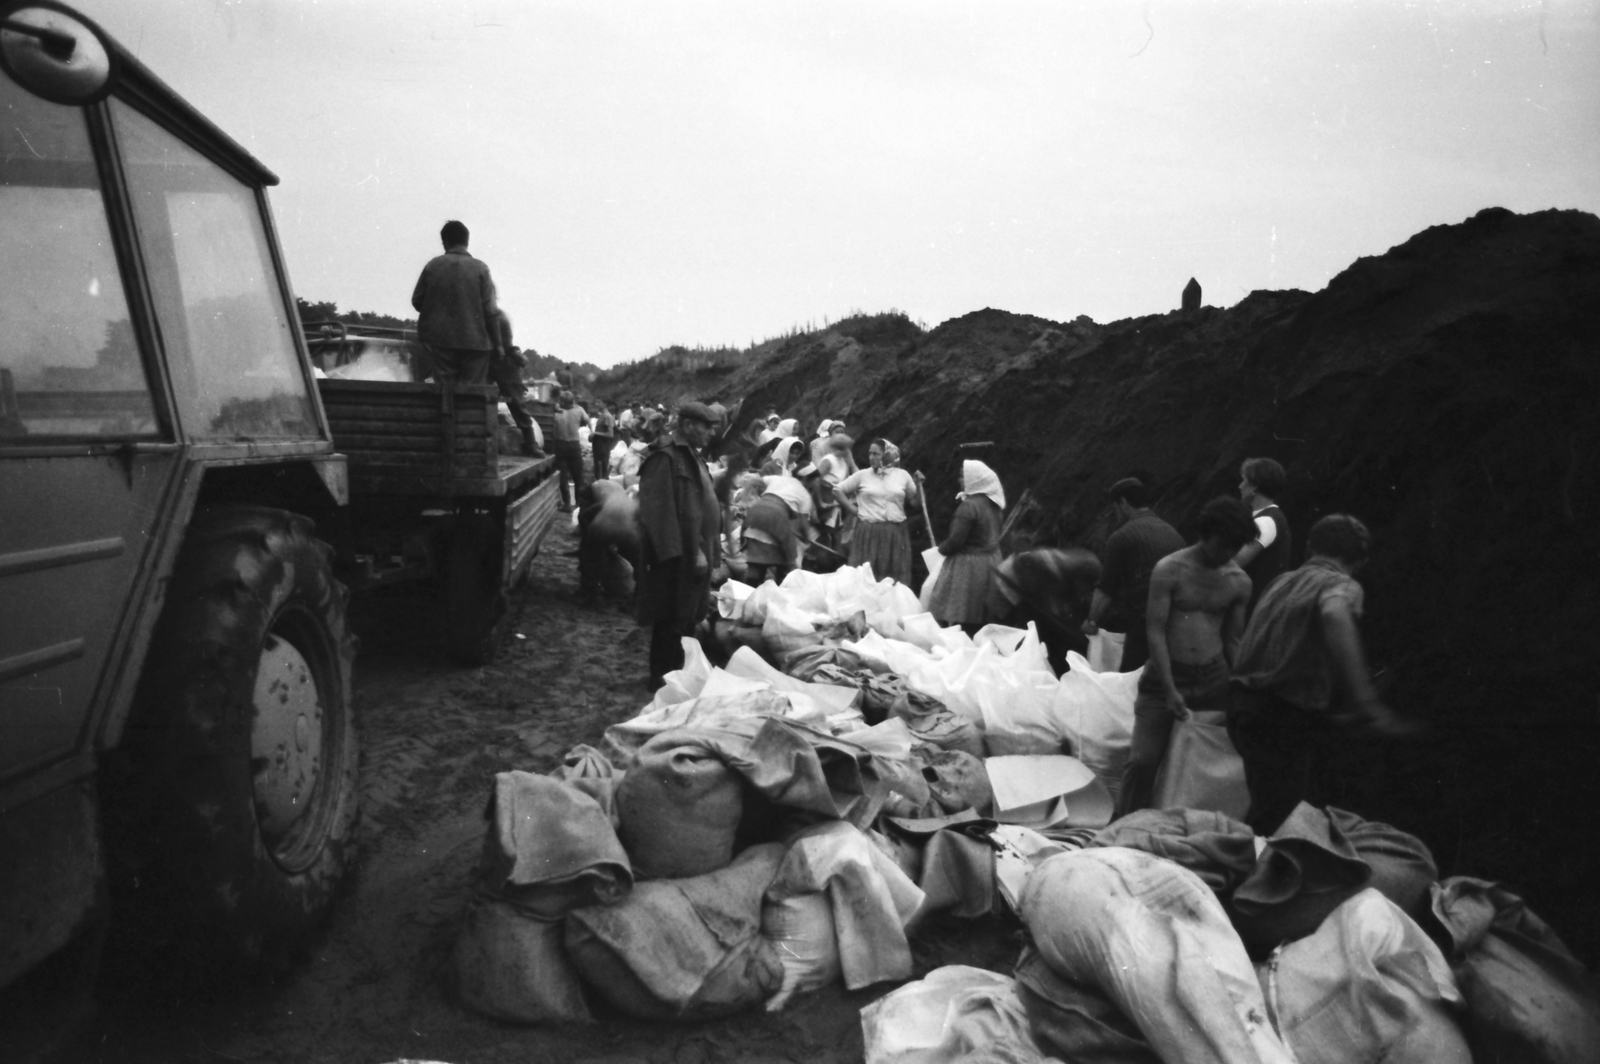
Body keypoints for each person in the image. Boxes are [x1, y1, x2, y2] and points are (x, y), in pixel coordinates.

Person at [1227, 514, 1418, 834]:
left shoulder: (1281, 581)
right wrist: (1367, 704)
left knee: (1269, 805)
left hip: (1242, 708)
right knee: (1279, 815)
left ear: (1309, 547)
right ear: (1359, 561)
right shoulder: (1341, 584)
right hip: (1281, 714)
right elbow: (1333, 612)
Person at [1116, 496, 1259, 818]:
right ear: (1205, 535)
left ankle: (1185, 826)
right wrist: (1169, 688)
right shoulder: (1170, 570)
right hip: (1163, 680)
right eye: (1223, 545)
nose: (1227, 554)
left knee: (1203, 764)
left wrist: (1241, 685)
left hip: (1213, 682)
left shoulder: (1239, 582)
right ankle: (1121, 824)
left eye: (1235, 548)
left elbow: (1233, 640)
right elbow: (1155, 630)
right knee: (1143, 760)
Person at [636, 402, 722, 688]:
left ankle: (677, 679)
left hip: (695, 555)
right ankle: (661, 681)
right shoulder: (666, 458)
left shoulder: (691, 457)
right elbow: (660, 512)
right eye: (706, 427)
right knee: (671, 618)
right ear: (687, 426)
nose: (711, 433)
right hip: (679, 557)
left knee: (686, 618)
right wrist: (692, 551)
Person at [1083, 477, 1186, 672]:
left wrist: (1091, 620)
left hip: (1146, 623)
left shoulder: (1122, 536)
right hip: (1180, 621)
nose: (1116, 514)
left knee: (1131, 678)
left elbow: (1106, 589)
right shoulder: (1173, 533)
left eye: (1115, 508)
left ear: (1122, 502)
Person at [410, 219, 500, 384]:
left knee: (444, 391)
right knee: (471, 394)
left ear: (446, 242)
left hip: (440, 342)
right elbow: (491, 311)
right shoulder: (481, 269)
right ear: (467, 241)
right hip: (475, 344)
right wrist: (499, 346)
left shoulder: (433, 266)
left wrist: (437, 310)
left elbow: (417, 301)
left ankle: (446, 409)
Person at [986, 547, 1101, 676]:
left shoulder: (1067, 566)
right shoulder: (1053, 570)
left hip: (1022, 582)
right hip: (1004, 587)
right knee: (1018, 635)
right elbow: (1044, 606)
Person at [926, 460, 1006, 634]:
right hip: (992, 562)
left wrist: (940, 551)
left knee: (961, 611)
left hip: (969, 567)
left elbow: (956, 539)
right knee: (982, 613)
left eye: (963, 476)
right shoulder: (995, 504)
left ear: (975, 480)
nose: (960, 480)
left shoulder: (969, 506)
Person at [835, 439, 921, 586]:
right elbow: (837, 490)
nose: (871, 457)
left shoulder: (902, 476)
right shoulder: (863, 475)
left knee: (891, 575)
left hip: (895, 533)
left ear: (888, 456)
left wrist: (919, 486)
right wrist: (853, 509)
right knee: (867, 574)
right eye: (870, 454)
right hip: (869, 532)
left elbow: (914, 502)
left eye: (876, 454)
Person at [1234, 457, 1292, 617]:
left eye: (1244, 481)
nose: (1240, 486)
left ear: (1254, 486)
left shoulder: (1265, 521)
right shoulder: (1263, 517)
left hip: (1255, 611)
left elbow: (1235, 562)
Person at [742, 476, 814, 585]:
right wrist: (807, 539)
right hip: (777, 517)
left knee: (754, 574)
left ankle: (750, 594)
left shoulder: (777, 479)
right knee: (788, 565)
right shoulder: (805, 496)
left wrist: (745, 497)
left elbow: (754, 480)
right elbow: (803, 525)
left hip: (755, 513)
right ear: (808, 482)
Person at [489, 310, 540, 456]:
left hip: (502, 358)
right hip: (485, 356)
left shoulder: (495, 314)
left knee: (517, 403)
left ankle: (531, 442)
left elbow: (500, 342)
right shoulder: (480, 313)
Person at [551, 389, 589, 511]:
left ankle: (567, 504)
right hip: (574, 444)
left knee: (562, 476)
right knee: (578, 476)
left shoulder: (556, 412)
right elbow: (586, 420)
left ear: (561, 401)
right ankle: (579, 504)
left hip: (560, 445)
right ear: (572, 401)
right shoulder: (578, 410)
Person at [590, 400, 616, 483]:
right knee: (598, 469)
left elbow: (610, 434)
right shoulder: (602, 416)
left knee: (602, 469)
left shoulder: (607, 416)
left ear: (605, 404)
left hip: (603, 446)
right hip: (598, 446)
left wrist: (595, 433)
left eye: (599, 402)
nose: (597, 404)